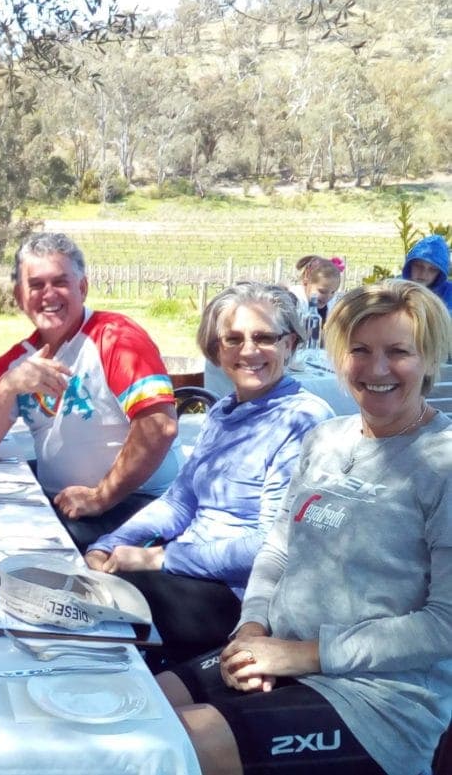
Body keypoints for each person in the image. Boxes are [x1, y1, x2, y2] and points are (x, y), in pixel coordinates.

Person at [159, 278, 452, 775]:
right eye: (360, 350)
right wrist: (250, 631)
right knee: (136, 706)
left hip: (376, 700)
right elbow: (277, 551)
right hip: (279, 653)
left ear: (429, 358)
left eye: (398, 351)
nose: (376, 368)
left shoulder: (441, 463)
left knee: (166, 748)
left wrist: (300, 656)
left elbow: (443, 625)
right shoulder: (324, 439)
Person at [85, 282, 333, 669]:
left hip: (239, 597)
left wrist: (160, 558)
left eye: (264, 337)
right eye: (233, 339)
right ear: (216, 350)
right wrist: (109, 543)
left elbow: (269, 549)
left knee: (107, 600)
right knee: (83, 551)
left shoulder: (302, 421)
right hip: (191, 569)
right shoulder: (222, 413)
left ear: (290, 344)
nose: (248, 350)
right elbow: (178, 501)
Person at [0, 232, 179, 550]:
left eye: (60, 282)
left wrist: (101, 496)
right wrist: (9, 385)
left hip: (136, 505)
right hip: (61, 504)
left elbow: (160, 427)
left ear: (83, 288)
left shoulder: (116, 337)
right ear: (20, 296)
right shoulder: (18, 360)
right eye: (36, 285)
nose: (48, 294)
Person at [403, 233, 452, 311]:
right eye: (418, 266)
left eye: (432, 270)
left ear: (440, 273)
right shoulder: (396, 289)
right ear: (410, 265)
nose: (423, 274)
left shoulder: (449, 293)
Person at [289, 254, 343, 323]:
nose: (328, 297)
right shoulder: (293, 301)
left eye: (333, 292)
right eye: (322, 291)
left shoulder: (331, 306)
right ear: (307, 280)